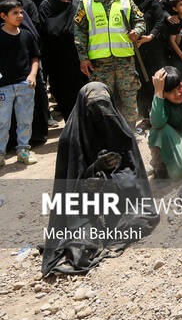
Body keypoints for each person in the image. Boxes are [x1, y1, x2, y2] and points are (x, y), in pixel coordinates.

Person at [41, 83, 159, 276]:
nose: (103, 115)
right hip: (85, 205)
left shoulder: (121, 132)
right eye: (96, 109)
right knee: (82, 244)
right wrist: (95, 169)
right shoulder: (71, 140)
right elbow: (71, 189)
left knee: (140, 219)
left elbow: (134, 178)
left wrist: (112, 178)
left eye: (105, 108)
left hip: (119, 199)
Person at [74, 0, 145, 129]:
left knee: (129, 96)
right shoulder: (86, 3)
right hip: (99, 63)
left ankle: (131, 131)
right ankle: (106, 132)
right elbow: (79, 31)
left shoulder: (126, 0)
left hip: (125, 60)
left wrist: (137, 31)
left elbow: (140, 20)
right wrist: (83, 58)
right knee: (101, 99)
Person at [0, 0, 39, 166]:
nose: (20, 16)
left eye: (21, 12)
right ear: (3, 16)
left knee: (25, 119)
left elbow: (34, 57)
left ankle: (23, 149)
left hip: (25, 85)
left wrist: (33, 75)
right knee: (2, 121)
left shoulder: (26, 35)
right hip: (3, 87)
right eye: (15, 13)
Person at [39, 0, 86, 120]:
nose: (65, 2)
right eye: (62, 0)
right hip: (58, 69)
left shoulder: (78, 18)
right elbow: (46, 44)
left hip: (78, 66)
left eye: (68, 0)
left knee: (82, 98)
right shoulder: (49, 19)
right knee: (64, 99)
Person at [127, 0, 166, 124]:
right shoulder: (125, 3)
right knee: (140, 84)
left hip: (153, 48)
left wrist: (151, 36)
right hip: (135, 49)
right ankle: (145, 115)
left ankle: (158, 112)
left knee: (155, 79)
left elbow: (160, 20)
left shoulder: (151, 2)